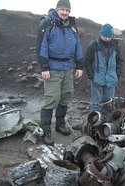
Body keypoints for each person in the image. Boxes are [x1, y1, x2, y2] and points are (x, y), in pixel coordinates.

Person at [36, 0, 84, 145]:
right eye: (62, 9)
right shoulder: (47, 24)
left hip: (68, 68)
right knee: (51, 98)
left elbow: (77, 47)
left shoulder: (72, 26)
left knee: (66, 96)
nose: (65, 13)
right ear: (57, 9)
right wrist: (44, 67)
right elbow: (41, 46)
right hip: (53, 68)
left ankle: (60, 124)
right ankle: (46, 131)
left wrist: (79, 66)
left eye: (67, 11)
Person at [84, 24, 123, 112]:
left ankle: (106, 124)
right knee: (95, 103)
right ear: (101, 34)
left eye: (109, 37)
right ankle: (94, 123)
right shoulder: (93, 46)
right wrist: (91, 76)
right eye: (105, 36)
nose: (107, 38)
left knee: (109, 104)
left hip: (111, 79)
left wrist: (117, 74)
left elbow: (120, 61)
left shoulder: (115, 46)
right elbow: (87, 61)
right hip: (97, 79)